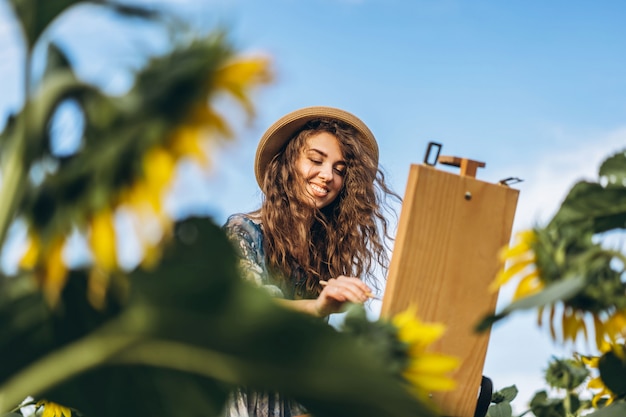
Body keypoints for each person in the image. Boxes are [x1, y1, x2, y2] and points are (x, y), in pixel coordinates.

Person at [222, 106, 400, 417]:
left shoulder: (322, 255)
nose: (328, 175)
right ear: (287, 163)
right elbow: (250, 311)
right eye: (316, 160)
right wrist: (318, 308)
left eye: (340, 169)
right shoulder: (244, 230)